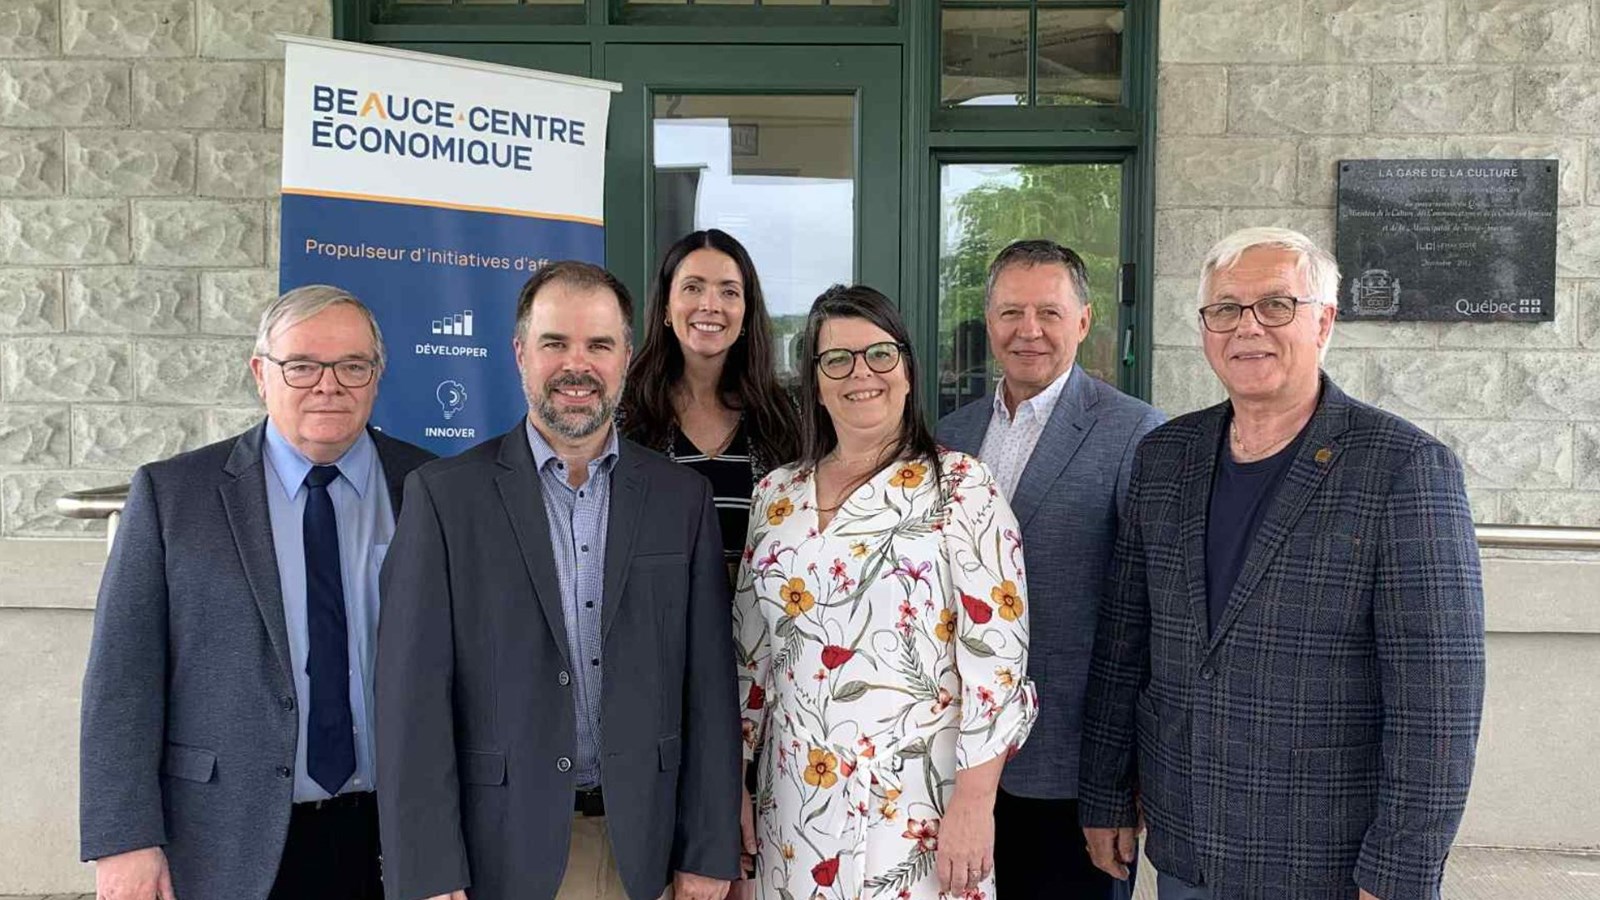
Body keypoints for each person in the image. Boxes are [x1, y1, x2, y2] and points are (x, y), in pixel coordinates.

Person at [1078, 228, 1486, 900]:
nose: (1248, 328)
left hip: (1325, 856)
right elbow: (1125, 645)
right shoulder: (1164, 457)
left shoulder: (1403, 469)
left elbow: (1438, 701)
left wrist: (1400, 871)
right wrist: (1105, 791)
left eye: (1275, 305)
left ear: (1324, 322)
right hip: (1186, 843)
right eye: (1225, 309)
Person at [375, 260, 742, 900]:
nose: (578, 365)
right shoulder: (443, 498)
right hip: (499, 853)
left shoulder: (681, 499)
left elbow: (709, 687)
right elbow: (412, 700)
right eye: (555, 344)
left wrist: (709, 850)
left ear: (626, 356)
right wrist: (428, 871)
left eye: (599, 345)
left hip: (644, 851)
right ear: (520, 353)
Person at [79, 285, 435, 900]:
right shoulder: (174, 497)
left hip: (396, 840)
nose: (328, 386)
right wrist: (125, 840)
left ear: (377, 377)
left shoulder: (432, 487)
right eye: (302, 366)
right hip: (224, 839)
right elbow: (121, 682)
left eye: (353, 366)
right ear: (260, 374)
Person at [734, 284, 1038, 900]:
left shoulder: (962, 488)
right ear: (815, 381)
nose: (861, 374)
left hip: (918, 811)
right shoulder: (775, 496)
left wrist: (975, 805)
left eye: (879, 354)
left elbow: (998, 666)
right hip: (792, 804)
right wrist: (734, 785)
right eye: (837, 359)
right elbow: (750, 659)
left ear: (906, 370)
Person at [937, 239, 1163, 900]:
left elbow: (1152, 618)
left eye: (1049, 312)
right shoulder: (950, 434)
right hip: (952, 766)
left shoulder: (1138, 434)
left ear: (1084, 321)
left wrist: (1123, 782)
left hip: (1072, 774)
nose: (1027, 330)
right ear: (989, 322)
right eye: (1010, 312)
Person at [621, 229, 801, 573]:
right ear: (666, 307)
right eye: (693, 288)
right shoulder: (624, 414)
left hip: (764, 608)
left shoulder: (786, 417)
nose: (710, 305)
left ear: (746, 312)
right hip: (660, 608)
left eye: (729, 291)